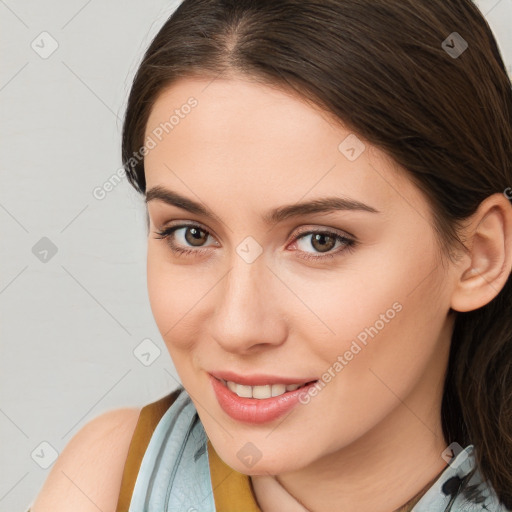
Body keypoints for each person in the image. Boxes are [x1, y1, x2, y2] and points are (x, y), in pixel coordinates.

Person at [29, 0, 512, 511]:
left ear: (479, 256)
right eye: (191, 234)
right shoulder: (111, 476)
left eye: (319, 241)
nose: (238, 327)